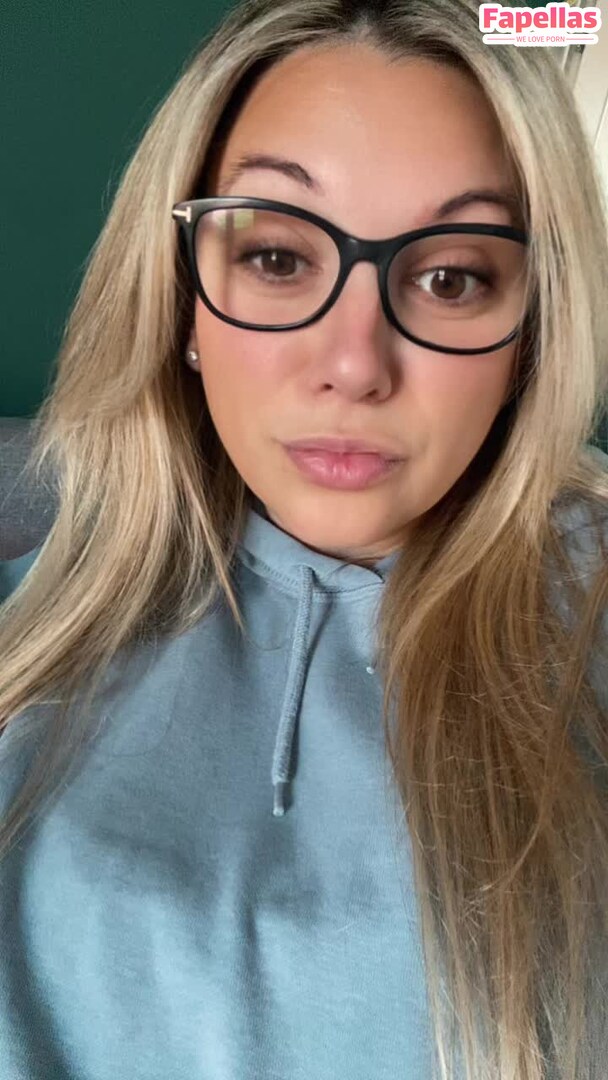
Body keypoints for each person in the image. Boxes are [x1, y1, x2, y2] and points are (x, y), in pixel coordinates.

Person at [0, 0, 607, 1077]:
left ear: (531, 336)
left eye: (451, 277)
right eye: (278, 257)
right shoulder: (30, 627)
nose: (354, 364)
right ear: (182, 300)